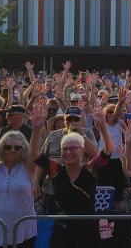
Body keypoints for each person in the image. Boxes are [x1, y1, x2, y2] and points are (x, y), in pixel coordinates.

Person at [35, 106, 113, 248]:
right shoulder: (56, 170)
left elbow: (106, 152)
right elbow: (35, 157)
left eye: (73, 148)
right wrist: (35, 130)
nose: (68, 152)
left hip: (87, 232)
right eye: (64, 149)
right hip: (62, 231)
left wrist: (102, 127)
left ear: (82, 151)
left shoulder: (90, 169)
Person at [0, 96, 43, 248]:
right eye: (7, 147)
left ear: (23, 149)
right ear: (0, 148)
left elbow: (34, 152)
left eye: (17, 147)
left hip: (23, 232)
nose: (12, 150)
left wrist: (37, 130)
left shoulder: (28, 168)